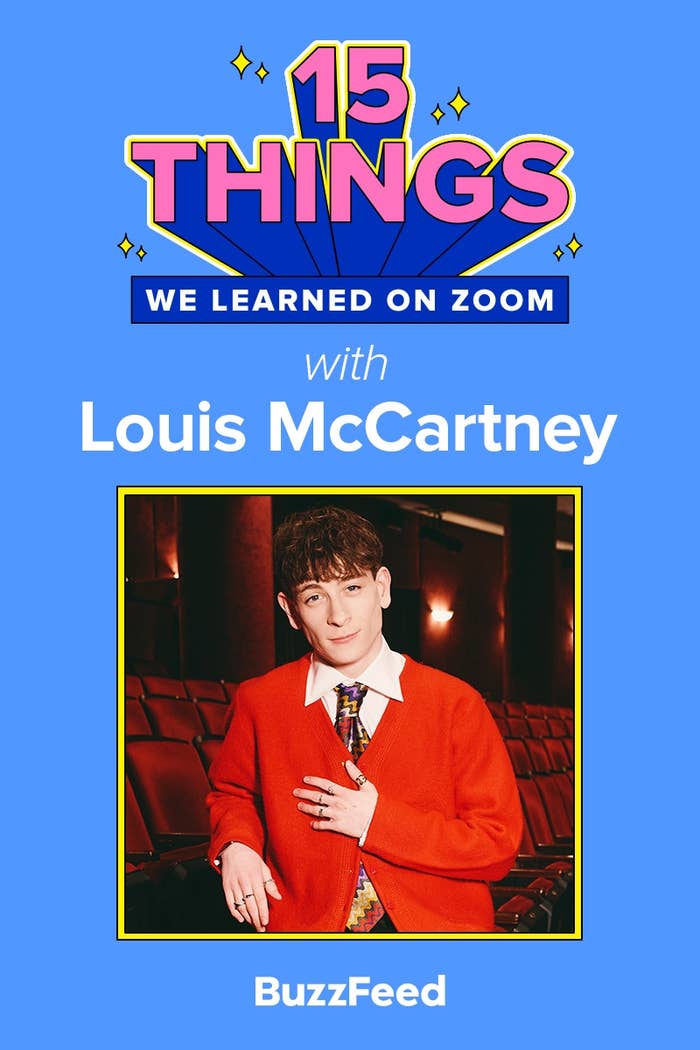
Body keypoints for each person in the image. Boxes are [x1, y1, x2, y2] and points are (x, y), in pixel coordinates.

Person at [206, 505, 522, 933]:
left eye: (352, 588)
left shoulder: (457, 703)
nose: (338, 615)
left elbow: (497, 845)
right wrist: (236, 845)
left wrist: (378, 821)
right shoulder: (259, 701)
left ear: (383, 588)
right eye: (315, 596)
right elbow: (233, 794)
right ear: (291, 611)